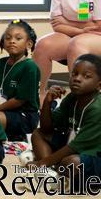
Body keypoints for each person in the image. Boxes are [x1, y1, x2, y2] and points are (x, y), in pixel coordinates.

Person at [33, 0, 101, 104]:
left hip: (97, 36)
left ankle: (79, 101)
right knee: (42, 45)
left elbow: (98, 25)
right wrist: (82, 28)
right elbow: (56, 24)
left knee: (76, 44)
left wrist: (68, 22)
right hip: (78, 35)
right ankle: (39, 98)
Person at [28, 54, 101, 185]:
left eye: (86, 76)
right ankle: (51, 172)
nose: (77, 79)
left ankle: (51, 167)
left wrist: (42, 162)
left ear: (99, 84)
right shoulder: (72, 98)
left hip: (94, 155)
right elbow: (46, 129)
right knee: (38, 134)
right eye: (75, 74)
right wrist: (47, 102)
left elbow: (74, 147)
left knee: (72, 163)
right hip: (74, 146)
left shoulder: (97, 109)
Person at [0, 19, 40, 141]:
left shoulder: (29, 66)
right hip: (0, 109)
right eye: (8, 38)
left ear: (29, 44)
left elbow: (19, 101)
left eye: (18, 38)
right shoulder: (1, 63)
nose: (12, 41)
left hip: (24, 115)